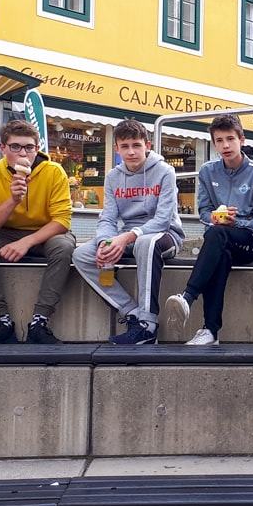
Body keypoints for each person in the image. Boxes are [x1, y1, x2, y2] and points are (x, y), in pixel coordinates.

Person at [72, 119, 184, 345]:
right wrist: (105, 242)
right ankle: (132, 313)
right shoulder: (113, 177)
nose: (131, 152)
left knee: (145, 243)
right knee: (81, 254)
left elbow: (163, 220)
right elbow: (108, 218)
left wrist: (126, 237)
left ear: (147, 145)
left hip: (166, 235)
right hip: (128, 236)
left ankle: (148, 325)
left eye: (136, 145)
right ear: (117, 149)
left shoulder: (165, 171)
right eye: (125, 146)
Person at [0, 120, 75, 344]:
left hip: (45, 233)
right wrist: (13, 200)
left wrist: (26, 242)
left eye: (29, 147)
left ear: (37, 148)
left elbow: (62, 220)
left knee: (63, 247)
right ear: (3, 148)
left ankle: (40, 321)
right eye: (15, 147)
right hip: (3, 233)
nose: (23, 153)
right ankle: (1, 320)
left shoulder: (54, 172)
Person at [164, 114, 253, 345]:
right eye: (219, 140)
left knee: (217, 235)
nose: (225, 145)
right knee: (220, 251)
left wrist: (235, 223)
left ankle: (188, 297)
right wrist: (213, 218)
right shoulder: (207, 171)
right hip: (219, 240)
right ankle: (210, 331)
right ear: (214, 144)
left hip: (249, 243)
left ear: (242, 140)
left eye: (230, 139)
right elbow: (203, 211)